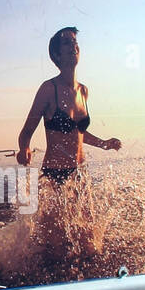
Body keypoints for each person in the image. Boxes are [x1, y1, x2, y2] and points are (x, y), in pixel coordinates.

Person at [16, 26, 121, 184]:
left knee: (87, 210)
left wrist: (103, 144)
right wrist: (24, 148)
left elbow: (77, 133)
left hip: (80, 171)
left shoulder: (83, 91)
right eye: (67, 42)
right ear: (57, 55)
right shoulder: (49, 89)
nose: (73, 45)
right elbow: (26, 131)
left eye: (75, 41)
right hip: (56, 174)